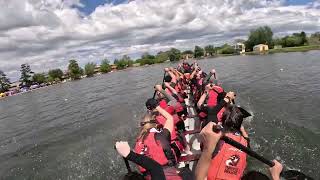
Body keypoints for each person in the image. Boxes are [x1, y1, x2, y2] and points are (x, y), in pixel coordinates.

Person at [195, 122, 283, 180]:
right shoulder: (245, 141)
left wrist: (208, 148)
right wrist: (276, 177)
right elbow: (247, 139)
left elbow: (200, 177)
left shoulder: (225, 138)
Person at [134, 99, 182, 179]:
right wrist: (156, 106)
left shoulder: (137, 142)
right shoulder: (162, 136)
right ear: (156, 124)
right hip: (167, 174)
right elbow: (170, 118)